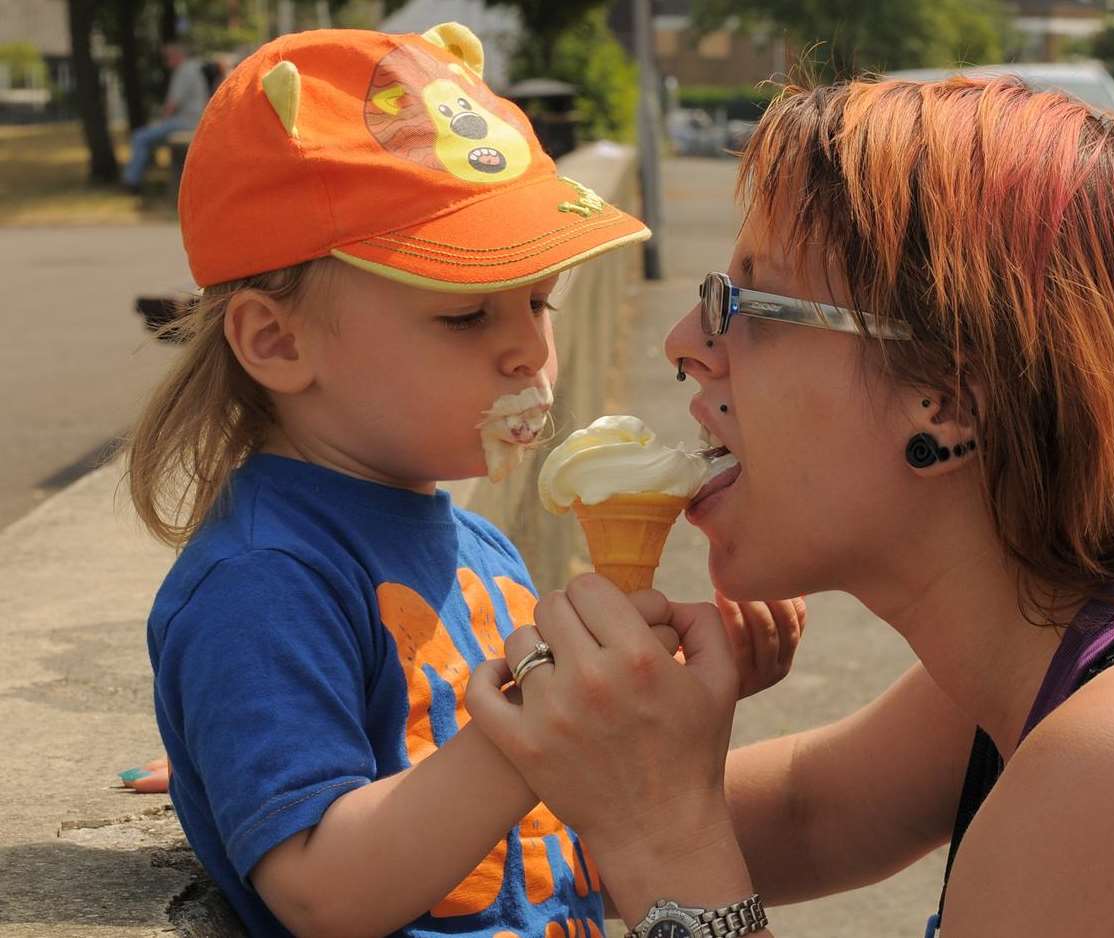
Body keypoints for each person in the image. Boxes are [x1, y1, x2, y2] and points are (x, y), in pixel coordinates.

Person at [466, 75, 1114, 938]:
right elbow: (811, 811)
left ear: (949, 400)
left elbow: (676, 837)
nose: (685, 342)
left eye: (746, 303)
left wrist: (666, 847)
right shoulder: (1071, 631)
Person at [125, 22, 802, 938]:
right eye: (464, 317)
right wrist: (549, 729)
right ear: (276, 342)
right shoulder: (263, 582)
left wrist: (651, 707)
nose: (528, 348)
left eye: (537, 302)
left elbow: (542, 829)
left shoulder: (473, 540)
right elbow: (323, 891)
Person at [121, 39, 210, 194]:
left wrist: (161, 123)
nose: (166, 62)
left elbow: (172, 104)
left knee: (140, 137)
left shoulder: (184, 71)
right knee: (147, 138)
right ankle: (140, 177)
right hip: (194, 120)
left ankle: (131, 182)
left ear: (176, 56)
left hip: (186, 122)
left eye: (168, 58)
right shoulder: (193, 68)